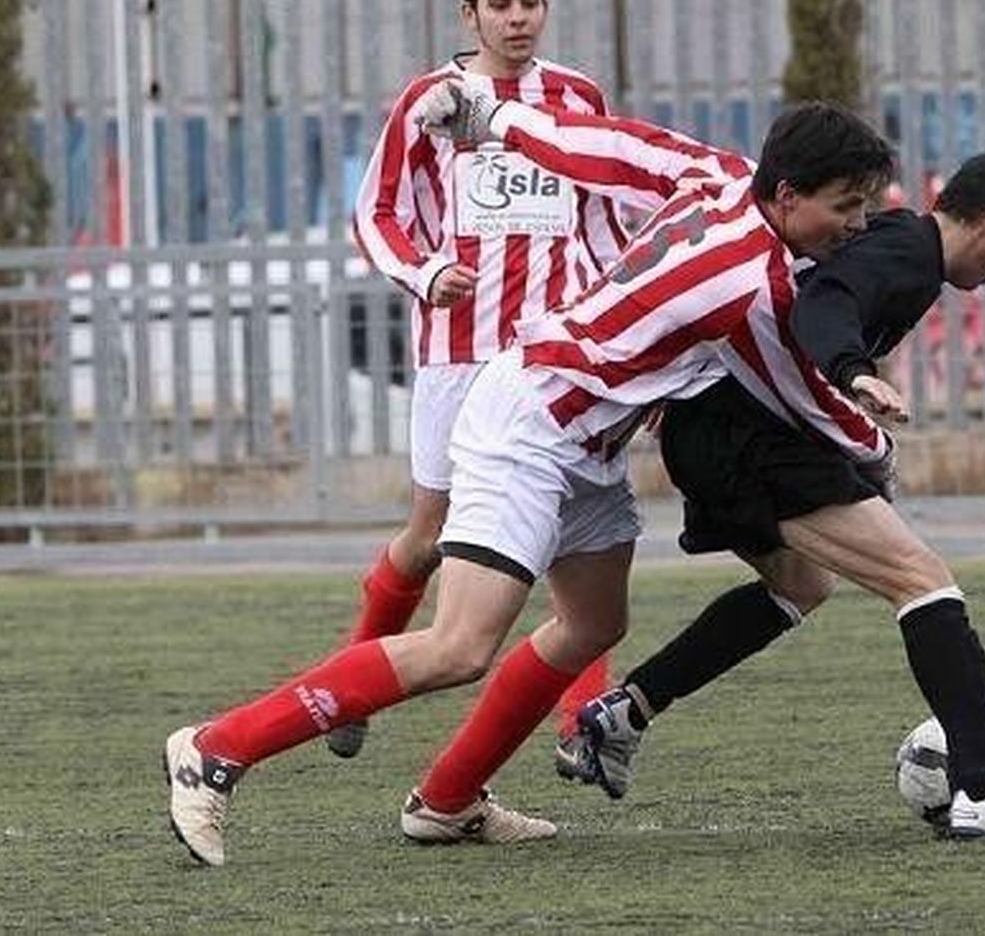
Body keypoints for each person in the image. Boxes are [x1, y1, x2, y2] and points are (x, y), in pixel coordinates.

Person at [162, 87, 897, 866]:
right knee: (458, 645)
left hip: (587, 438)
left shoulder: (723, 174)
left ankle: (447, 800)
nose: (855, 225)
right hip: (533, 424)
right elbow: (795, 392)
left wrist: (496, 117)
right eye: (845, 206)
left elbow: (607, 148)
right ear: (787, 194)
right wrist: (873, 444)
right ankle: (216, 747)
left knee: (592, 624)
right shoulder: (749, 282)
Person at [567, 148, 985, 839]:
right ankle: (984, 788)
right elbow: (825, 302)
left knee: (801, 584)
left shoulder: (901, 243)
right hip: (750, 439)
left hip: (721, 431)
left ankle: (625, 712)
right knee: (924, 580)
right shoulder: (909, 252)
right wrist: (854, 372)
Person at [335, 0, 623, 764]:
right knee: (430, 533)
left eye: (529, 2)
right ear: (470, 13)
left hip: (555, 357)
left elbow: (599, 212)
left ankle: (582, 725)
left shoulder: (576, 97)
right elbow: (377, 211)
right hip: (460, 355)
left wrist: (607, 314)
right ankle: (349, 683)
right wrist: (426, 274)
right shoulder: (433, 100)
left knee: (579, 525)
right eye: (500, 5)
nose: (517, 17)